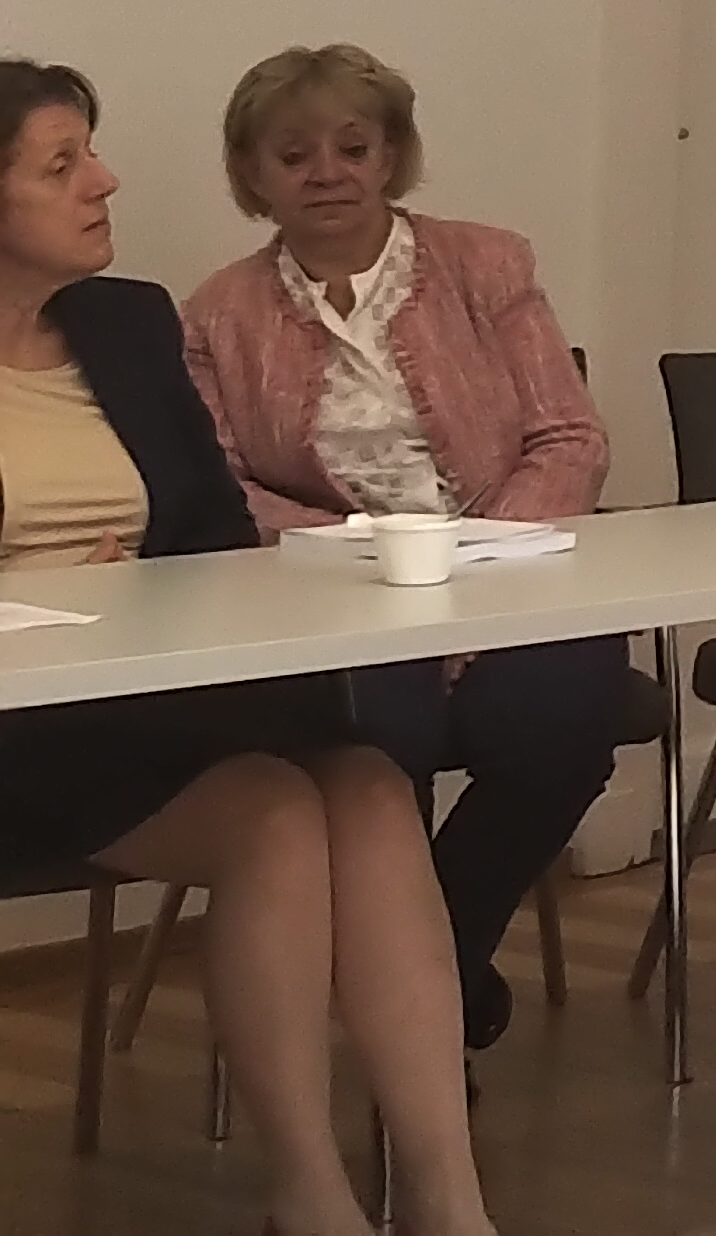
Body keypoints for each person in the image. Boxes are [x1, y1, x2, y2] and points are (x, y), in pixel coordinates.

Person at [0, 60, 507, 1236]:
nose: (104, 181)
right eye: (63, 165)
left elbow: (214, 534)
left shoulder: (126, 323)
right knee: (276, 815)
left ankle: (449, 1203)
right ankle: (312, 1200)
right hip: (27, 723)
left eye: (91, 153)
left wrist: (154, 597)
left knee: (370, 786)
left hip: (166, 690)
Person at [181, 44, 620, 1054]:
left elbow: (570, 438)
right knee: (377, 745)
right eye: (294, 154)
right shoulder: (216, 313)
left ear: (391, 157)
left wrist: (464, 574)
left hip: (509, 577)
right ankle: (423, 1024)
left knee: (565, 726)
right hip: (331, 599)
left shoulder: (487, 265)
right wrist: (363, 561)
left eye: (353, 147)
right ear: (252, 173)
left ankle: (437, 972)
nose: (326, 173)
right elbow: (220, 484)